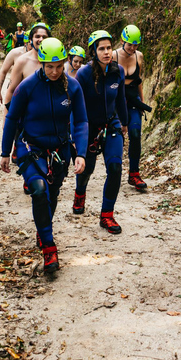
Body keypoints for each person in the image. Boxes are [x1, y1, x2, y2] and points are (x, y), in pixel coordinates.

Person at [0, 38, 88, 273]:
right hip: (31, 149)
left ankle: (43, 228)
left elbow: (80, 121)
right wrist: (5, 152)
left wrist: (80, 153)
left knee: (52, 194)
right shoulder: (27, 87)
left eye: (59, 66)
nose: (54, 71)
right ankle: (49, 249)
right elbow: (11, 119)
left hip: (60, 151)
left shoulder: (73, 87)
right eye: (49, 66)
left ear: (64, 62)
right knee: (39, 191)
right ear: (41, 62)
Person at [74, 30, 128, 234]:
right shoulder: (84, 74)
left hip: (111, 124)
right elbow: (75, 106)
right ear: (94, 51)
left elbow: (121, 99)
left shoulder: (118, 71)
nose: (106, 52)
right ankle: (80, 193)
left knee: (115, 169)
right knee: (87, 169)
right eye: (101, 48)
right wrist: (75, 132)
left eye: (109, 48)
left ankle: (107, 215)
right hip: (89, 127)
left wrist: (124, 123)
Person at [113, 25, 150, 191]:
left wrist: (141, 102)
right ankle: (113, 170)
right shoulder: (113, 56)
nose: (132, 48)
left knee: (135, 134)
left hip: (133, 99)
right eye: (129, 44)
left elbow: (138, 80)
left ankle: (134, 173)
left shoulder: (139, 56)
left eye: (135, 45)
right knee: (117, 136)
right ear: (122, 41)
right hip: (116, 99)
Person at [4, 23, 51, 105]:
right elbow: (11, 92)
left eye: (44, 37)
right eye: (37, 36)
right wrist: (7, 117)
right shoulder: (22, 61)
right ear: (31, 39)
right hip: (27, 111)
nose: (41, 39)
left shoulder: (56, 61)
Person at [0, 30, 32, 106]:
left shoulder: (41, 55)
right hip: (15, 89)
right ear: (25, 43)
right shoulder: (15, 53)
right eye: (30, 44)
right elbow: (3, 71)